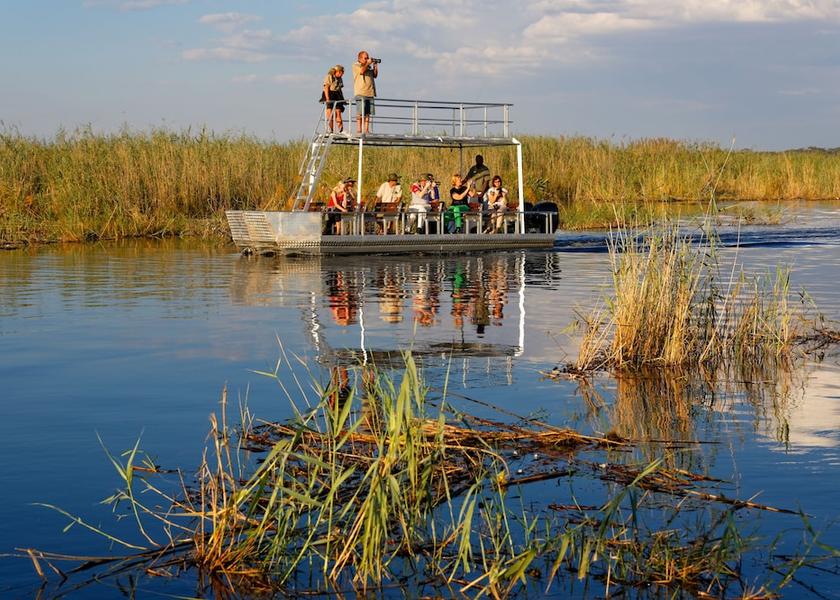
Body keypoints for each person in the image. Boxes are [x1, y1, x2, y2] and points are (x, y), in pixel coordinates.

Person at [352, 50, 378, 134]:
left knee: (368, 113)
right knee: (360, 112)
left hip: (370, 92)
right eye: (365, 58)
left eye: (368, 58)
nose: (367, 59)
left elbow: (375, 75)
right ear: (360, 58)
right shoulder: (356, 65)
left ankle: (366, 130)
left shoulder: (368, 66)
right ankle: (359, 130)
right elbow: (362, 71)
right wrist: (368, 63)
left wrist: (375, 65)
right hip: (360, 92)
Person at [321, 64, 345, 133]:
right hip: (329, 93)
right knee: (329, 113)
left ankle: (341, 129)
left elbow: (340, 89)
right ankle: (331, 130)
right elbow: (326, 87)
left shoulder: (340, 79)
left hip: (337, 94)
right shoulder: (329, 76)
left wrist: (342, 99)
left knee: (338, 111)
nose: (341, 74)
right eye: (340, 73)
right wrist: (327, 98)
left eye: (342, 73)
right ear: (336, 71)